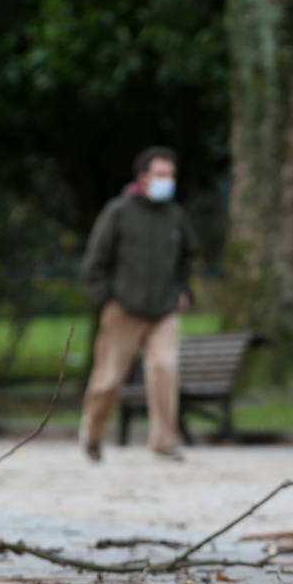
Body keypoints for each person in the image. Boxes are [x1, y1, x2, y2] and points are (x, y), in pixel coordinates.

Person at [78, 146, 196, 462]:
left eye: (170, 175)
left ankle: (164, 441)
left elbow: (188, 256)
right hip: (123, 308)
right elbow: (96, 259)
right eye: (160, 175)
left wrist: (182, 289)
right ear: (142, 178)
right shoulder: (118, 211)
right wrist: (105, 298)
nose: (166, 181)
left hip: (164, 309)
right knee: (109, 378)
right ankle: (92, 433)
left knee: (165, 369)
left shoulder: (175, 216)